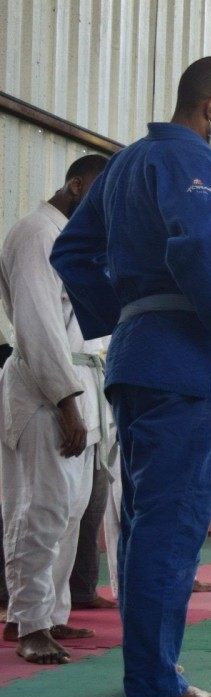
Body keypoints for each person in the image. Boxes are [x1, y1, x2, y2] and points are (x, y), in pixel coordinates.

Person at [50, 56, 211, 697]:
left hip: (138, 355)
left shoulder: (123, 166)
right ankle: (154, 685)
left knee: (145, 521)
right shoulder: (187, 159)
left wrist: (124, 314)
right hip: (185, 355)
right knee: (172, 523)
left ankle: (148, 666)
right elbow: (201, 243)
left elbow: (71, 252)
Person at [0, 154, 108, 664]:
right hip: (46, 388)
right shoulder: (37, 234)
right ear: (77, 186)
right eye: (101, 194)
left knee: (72, 507)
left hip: (81, 382)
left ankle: (50, 611)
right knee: (40, 507)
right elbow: (38, 325)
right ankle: (28, 623)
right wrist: (66, 403)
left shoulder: (74, 241)